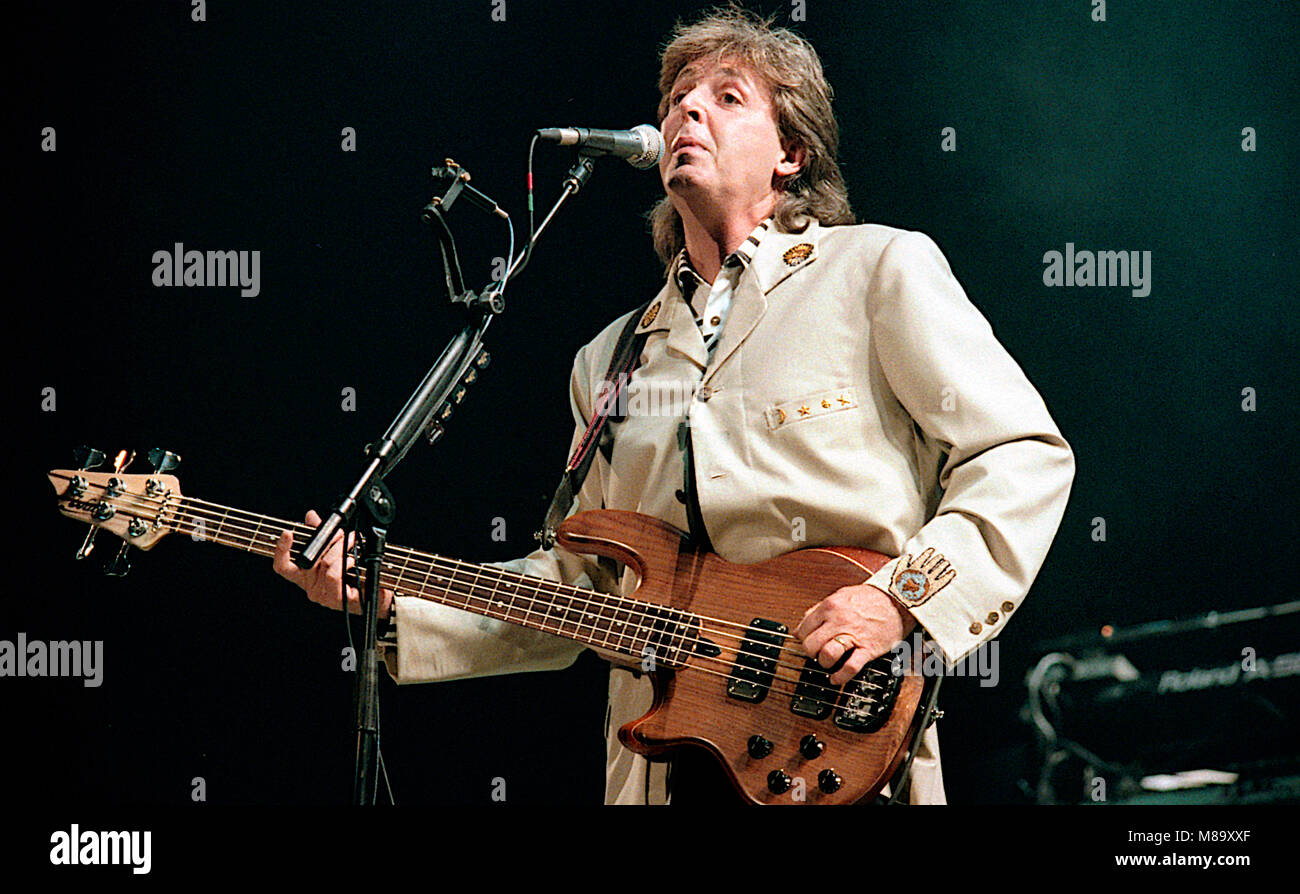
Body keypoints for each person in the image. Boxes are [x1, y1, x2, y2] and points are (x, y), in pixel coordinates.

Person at [273, 7, 1075, 805]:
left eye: (728, 97)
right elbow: (581, 586)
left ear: (791, 154)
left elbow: (1021, 455)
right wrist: (388, 598)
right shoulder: (610, 359)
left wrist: (899, 600)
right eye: (679, 95)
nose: (686, 108)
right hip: (663, 775)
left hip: (838, 752)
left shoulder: (876, 271)